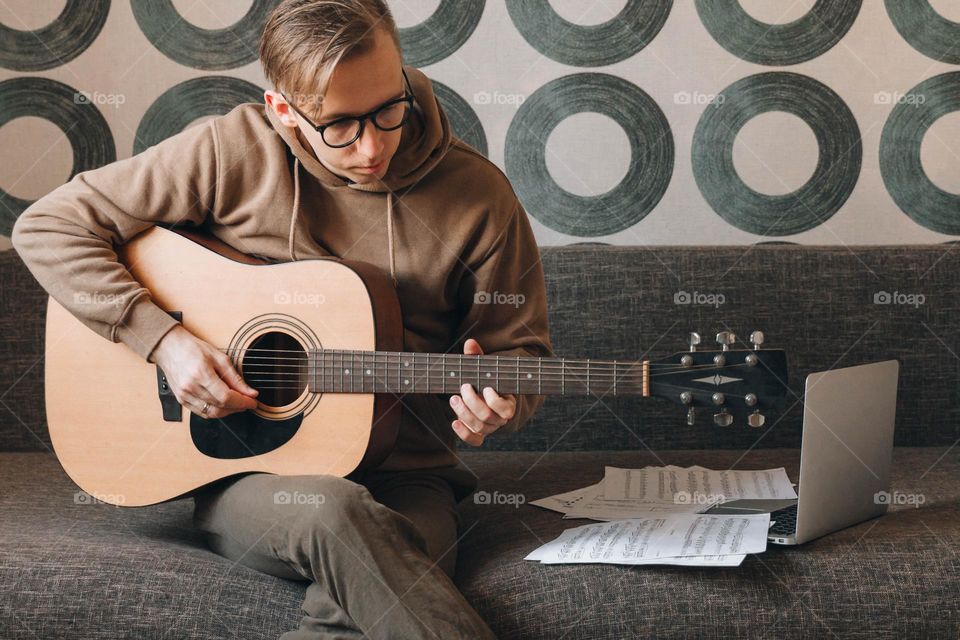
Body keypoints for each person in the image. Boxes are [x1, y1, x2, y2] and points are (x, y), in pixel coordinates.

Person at [11, 0, 552, 637]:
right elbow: (49, 225)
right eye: (339, 126)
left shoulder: (479, 197)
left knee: (377, 572)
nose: (373, 146)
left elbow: (521, 353)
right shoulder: (231, 151)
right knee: (332, 511)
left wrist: (504, 400)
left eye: (388, 109)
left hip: (410, 479)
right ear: (284, 113)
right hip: (248, 475)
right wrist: (164, 341)